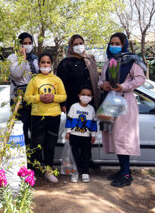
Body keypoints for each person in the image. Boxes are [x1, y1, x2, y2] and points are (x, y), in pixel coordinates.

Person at [98, 32, 146, 188]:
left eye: (118, 43)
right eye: (112, 43)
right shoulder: (108, 62)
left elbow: (140, 79)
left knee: (122, 137)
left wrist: (123, 86)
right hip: (109, 102)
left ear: (124, 44)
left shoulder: (132, 61)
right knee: (114, 138)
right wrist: (103, 84)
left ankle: (125, 175)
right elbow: (100, 80)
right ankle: (124, 171)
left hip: (125, 103)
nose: (114, 46)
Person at [56, 34, 100, 170]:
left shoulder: (90, 60)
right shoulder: (65, 63)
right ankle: (76, 162)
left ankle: (87, 160)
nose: (79, 46)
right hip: (73, 104)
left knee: (87, 134)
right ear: (70, 46)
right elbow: (61, 85)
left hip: (89, 103)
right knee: (75, 134)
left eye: (81, 42)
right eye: (75, 44)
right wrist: (63, 104)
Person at [24, 52, 67, 183]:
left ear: (51, 64)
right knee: (37, 144)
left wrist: (53, 97)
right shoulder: (34, 80)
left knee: (50, 145)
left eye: (48, 62)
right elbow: (26, 97)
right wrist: (39, 98)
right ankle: (37, 169)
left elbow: (64, 96)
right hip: (37, 116)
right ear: (39, 64)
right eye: (43, 62)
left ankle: (49, 170)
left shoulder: (57, 80)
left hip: (54, 116)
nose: (45, 65)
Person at [8, 32, 39, 146]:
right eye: (24, 43)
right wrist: (23, 58)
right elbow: (17, 73)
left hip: (34, 98)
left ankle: (35, 160)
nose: (27, 45)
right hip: (19, 98)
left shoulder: (35, 59)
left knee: (35, 130)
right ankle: (23, 159)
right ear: (19, 45)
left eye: (29, 43)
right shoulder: (13, 58)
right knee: (22, 129)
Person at [65, 86, 97, 183]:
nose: (85, 97)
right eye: (83, 94)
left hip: (86, 137)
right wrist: (68, 132)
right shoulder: (74, 106)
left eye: (88, 95)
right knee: (74, 155)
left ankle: (85, 173)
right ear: (79, 95)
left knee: (85, 155)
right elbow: (69, 120)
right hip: (74, 135)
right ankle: (74, 173)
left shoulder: (91, 109)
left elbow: (93, 123)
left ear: (92, 97)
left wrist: (93, 134)